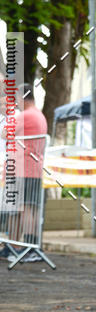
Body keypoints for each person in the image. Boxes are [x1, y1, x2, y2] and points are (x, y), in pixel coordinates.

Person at [8, 84, 48, 261]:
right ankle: (23, 246)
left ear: (22, 97)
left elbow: (4, 133)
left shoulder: (26, 115)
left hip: (24, 168)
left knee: (25, 208)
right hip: (33, 167)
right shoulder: (39, 115)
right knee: (29, 207)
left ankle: (29, 247)